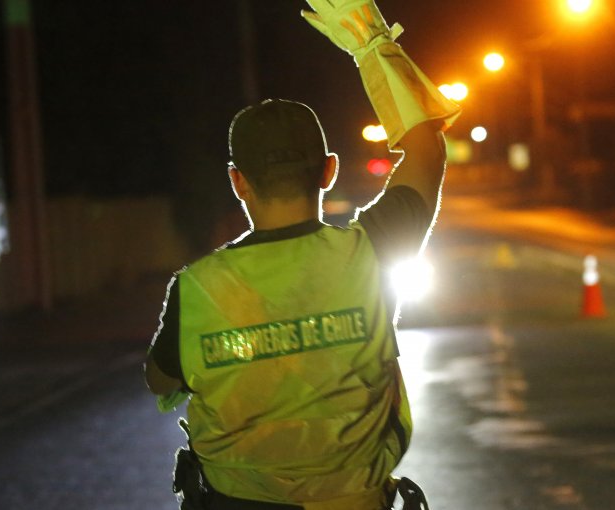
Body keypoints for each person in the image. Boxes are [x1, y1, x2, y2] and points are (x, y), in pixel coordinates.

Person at [145, 1, 460, 508]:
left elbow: (159, 377)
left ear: (237, 182)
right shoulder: (370, 252)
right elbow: (427, 146)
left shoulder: (198, 287)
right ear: (328, 171)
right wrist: (372, 44)